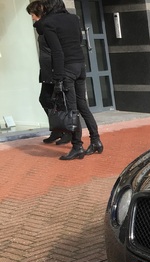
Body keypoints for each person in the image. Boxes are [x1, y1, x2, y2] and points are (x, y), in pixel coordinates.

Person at [38, 0, 103, 160]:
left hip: (67, 69)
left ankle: (77, 147)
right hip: (80, 65)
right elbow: (79, 42)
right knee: (83, 106)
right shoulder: (74, 18)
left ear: (48, 7)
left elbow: (57, 52)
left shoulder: (49, 23)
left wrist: (58, 78)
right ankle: (96, 141)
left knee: (72, 110)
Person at [26, 0, 71, 145]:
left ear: (39, 12)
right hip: (46, 70)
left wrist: (57, 71)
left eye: (32, 14)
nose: (32, 18)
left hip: (54, 70)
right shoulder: (42, 28)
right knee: (45, 100)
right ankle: (57, 129)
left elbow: (57, 51)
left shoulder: (48, 26)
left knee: (59, 102)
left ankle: (67, 131)